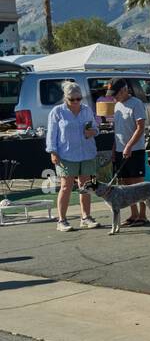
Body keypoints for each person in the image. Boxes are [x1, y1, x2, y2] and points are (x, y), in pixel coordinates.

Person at [46, 80, 100, 231]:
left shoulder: (87, 109)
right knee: (65, 187)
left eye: (79, 98)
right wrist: (53, 151)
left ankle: (86, 217)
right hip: (66, 154)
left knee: (86, 186)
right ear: (65, 98)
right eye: (72, 99)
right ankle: (62, 220)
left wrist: (93, 132)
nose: (76, 102)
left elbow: (95, 127)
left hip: (87, 152)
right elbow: (51, 134)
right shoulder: (57, 111)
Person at [108, 78, 149, 226]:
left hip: (135, 150)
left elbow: (140, 127)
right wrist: (115, 149)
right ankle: (134, 214)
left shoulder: (136, 104)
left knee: (138, 185)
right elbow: (118, 130)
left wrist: (129, 145)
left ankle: (143, 216)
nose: (114, 97)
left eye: (116, 93)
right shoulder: (117, 105)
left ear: (125, 90)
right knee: (126, 184)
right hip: (120, 150)